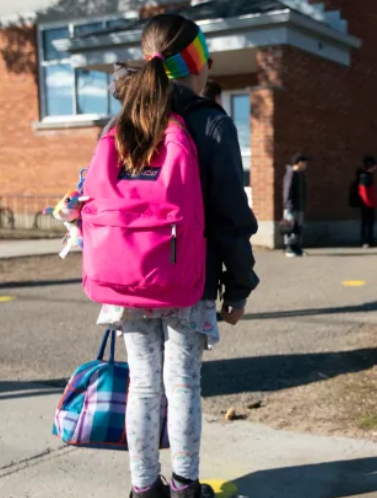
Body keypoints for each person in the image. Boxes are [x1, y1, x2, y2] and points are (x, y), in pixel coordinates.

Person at [98, 14, 258, 498]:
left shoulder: (121, 121)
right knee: (183, 384)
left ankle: (144, 489)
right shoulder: (210, 123)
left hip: (127, 279)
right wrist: (240, 286)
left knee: (144, 386)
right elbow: (232, 216)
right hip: (190, 280)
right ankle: (186, 487)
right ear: (197, 63)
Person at [283, 153, 308, 257]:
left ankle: (297, 248)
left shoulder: (300, 174)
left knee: (298, 228)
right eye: (305, 162)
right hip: (292, 207)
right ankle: (289, 248)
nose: (306, 165)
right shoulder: (291, 174)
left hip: (299, 206)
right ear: (300, 163)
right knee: (290, 228)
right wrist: (289, 206)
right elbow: (287, 191)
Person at [357, 155, 377, 248]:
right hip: (366, 204)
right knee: (366, 223)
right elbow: (363, 191)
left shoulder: (368, 176)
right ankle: (365, 240)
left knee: (370, 223)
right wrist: (368, 203)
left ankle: (370, 239)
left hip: (370, 203)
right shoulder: (364, 177)